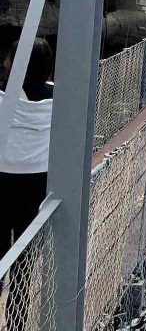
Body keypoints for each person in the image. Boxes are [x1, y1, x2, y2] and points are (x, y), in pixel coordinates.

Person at [0, 38, 54, 325]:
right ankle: (16, 322)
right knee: (24, 263)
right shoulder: (59, 100)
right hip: (37, 188)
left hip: (1, 184)